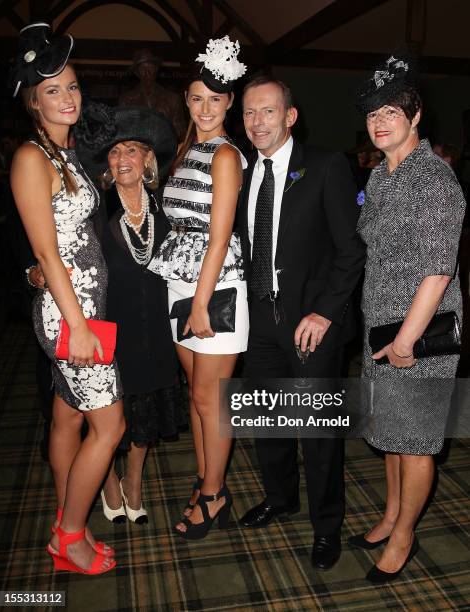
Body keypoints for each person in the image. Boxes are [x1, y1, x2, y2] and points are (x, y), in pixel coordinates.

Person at [237, 76, 366, 571]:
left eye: (268, 111)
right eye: (249, 112)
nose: (257, 122)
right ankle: (280, 497)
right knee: (266, 421)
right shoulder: (246, 172)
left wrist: (325, 312)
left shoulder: (328, 166)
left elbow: (350, 250)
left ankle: (326, 525)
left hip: (311, 323)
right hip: (260, 321)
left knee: (317, 433)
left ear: (290, 116)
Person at [9, 23, 124, 575]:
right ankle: (69, 538)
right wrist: (77, 326)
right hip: (69, 316)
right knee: (111, 426)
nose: (68, 97)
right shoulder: (32, 158)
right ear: (33, 101)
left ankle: (64, 514)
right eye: (53, 90)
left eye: (73, 86)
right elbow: (48, 254)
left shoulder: (66, 154)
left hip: (81, 308)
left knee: (68, 417)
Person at [351, 55, 466, 583]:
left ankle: (405, 534)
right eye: (373, 111)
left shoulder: (434, 179)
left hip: (419, 334)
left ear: (416, 115)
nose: (380, 120)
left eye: (392, 110)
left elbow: (439, 272)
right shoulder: (380, 177)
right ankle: (392, 514)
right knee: (390, 433)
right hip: (380, 325)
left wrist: (406, 341)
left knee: (416, 441)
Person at [149, 36, 248, 539]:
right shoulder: (190, 147)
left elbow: (220, 235)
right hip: (180, 283)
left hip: (216, 290)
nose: (205, 108)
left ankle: (215, 495)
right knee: (197, 395)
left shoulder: (226, 155)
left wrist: (203, 304)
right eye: (196, 98)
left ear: (230, 101)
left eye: (215, 99)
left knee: (212, 399)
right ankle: (207, 477)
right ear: (186, 101)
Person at [74, 104, 182, 523]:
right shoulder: (95, 209)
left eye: (132, 151)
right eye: (115, 152)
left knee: (146, 416)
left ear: (147, 160)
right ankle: (107, 481)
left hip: (154, 327)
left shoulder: (164, 207)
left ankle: (133, 478)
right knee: (108, 418)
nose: (123, 160)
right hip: (107, 328)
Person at [119, 48, 186, 142]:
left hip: (165, 150)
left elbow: (180, 131)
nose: (147, 73)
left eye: (151, 68)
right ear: (137, 73)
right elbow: (122, 130)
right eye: (143, 69)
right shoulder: (126, 99)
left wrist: (163, 130)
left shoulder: (172, 99)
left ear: (156, 70)